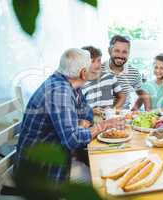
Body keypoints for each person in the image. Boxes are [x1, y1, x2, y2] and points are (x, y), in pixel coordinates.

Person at [15, 48, 125, 183]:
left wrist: (79, 124)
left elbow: (88, 114)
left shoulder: (70, 84)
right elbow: (73, 140)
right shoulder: (60, 92)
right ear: (83, 73)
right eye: (91, 65)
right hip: (40, 170)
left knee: (105, 164)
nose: (97, 67)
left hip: (55, 153)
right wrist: (104, 124)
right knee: (101, 179)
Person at [102, 35, 147, 109]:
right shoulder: (99, 69)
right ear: (109, 51)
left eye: (124, 52)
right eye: (117, 51)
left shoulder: (134, 73)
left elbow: (142, 95)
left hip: (123, 116)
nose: (120, 55)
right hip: (101, 116)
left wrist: (134, 110)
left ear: (129, 53)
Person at [81, 46, 126, 112]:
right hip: (91, 120)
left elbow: (122, 96)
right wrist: (91, 112)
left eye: (99, 60)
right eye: (92, 61)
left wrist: (113, 110)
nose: (97, 64)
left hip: (109, 118)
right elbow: (79, 109)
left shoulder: (110, 77)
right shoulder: (80, 84)